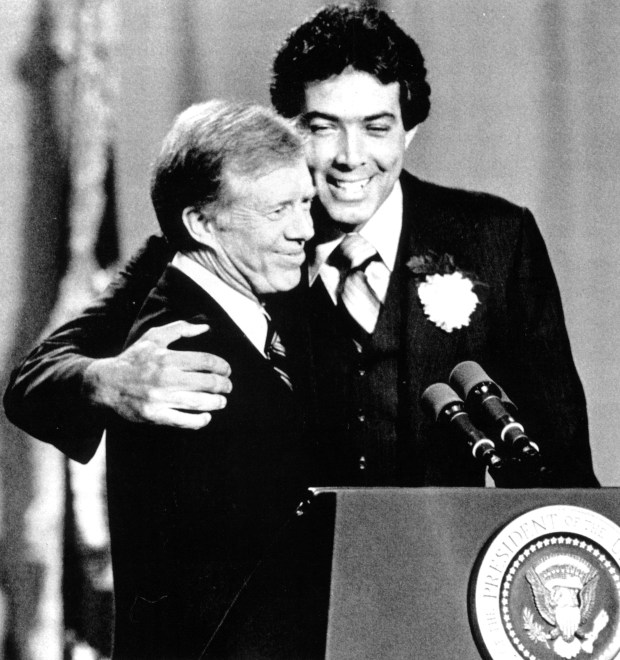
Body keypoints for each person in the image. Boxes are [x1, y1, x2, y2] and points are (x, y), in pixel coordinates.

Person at [5, 5, 598, 486]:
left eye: (376, 127)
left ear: (410, 131)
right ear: (286, 130)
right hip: (285, 617)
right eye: (321, 127)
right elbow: (33, 382)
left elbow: (564, 464)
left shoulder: (497, 239)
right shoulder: (216, 241)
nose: (349, 158)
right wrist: (110, 381)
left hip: (444, 596)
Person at [87, 99, 329, 658]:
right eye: (278, 212)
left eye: (305, 204)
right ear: (201, 224)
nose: (305, 230)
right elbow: (226, 583)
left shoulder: (250, 314)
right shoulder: (183, 352)